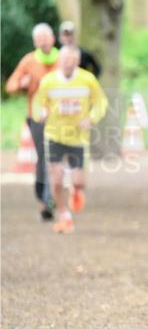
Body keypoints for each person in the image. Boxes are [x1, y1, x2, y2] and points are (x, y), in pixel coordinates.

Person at [31, 45, 108, 234]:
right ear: (59, 60)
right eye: (65, 59)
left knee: (79, 181)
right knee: (56, 180)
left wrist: (91, 118)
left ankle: (76, 191)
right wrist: (39, 113)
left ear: (77, 61)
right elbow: (37, 102)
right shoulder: (49, 81)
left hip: (78, 138)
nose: (68, 62)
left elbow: (100, 102)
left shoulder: (87, 80)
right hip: (54, 135)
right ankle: (64, 215)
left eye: (73, 59)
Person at [5, 23, 60, 220]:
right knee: (45, 156)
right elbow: (10, 85)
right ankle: (44, 194)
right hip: (36, 117)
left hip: (61, 117)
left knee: (54, 156)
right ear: (35, 42)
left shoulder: (62, 60)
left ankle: (50, 197)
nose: (44, 41)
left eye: (47, 37)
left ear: (53, 39)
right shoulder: (29, 61)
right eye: (40, 38)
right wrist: (22, 83)